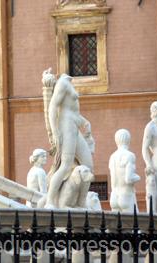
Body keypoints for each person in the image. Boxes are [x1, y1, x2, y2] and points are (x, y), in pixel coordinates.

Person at [45, 73, 93, 209]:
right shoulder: (62, 83)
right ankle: (50, 201)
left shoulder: (68, 83)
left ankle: (81, 202)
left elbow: (73, 111)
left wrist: (85, 122)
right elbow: (52, 106)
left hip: (74, 126)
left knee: (88, 165)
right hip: (66, 127)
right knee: (65, 165)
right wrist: (55, 131)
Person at [109, 129, 140, 213]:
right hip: (126, 195)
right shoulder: (130, 155)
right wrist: (138, 177)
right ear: (129, 140)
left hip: (114, 196)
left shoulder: (112, 156)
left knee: (115, 225)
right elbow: (129, 179)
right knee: (133, 224)